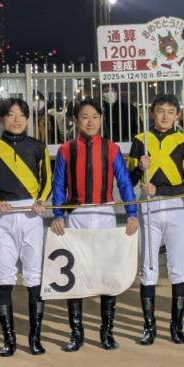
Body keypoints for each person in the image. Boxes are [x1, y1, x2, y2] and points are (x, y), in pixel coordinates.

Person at [51, 99, 139, 352]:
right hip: (77, 214)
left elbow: (124, 183)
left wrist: (131, 213)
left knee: (107, 273)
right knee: (76, 273)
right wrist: (58, 215)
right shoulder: (66, 149)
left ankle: (106, 332)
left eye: (95, 117)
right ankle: (76, 333)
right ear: (76, 121)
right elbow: (59, 186)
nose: (90, 122)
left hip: (105, 213)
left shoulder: (111, 149)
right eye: (84, 117)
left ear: (101, 119)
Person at [0, 98, 52, 356]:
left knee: (34, 278)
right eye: (10, 114)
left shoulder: (38, 147)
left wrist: (41, 200)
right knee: (5, 278)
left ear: (28, 118)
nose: (16, 119)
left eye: (21, 114)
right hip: (4, 216)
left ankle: (34, 338)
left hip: (32, 214)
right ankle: (9, 340)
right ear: (1, 119)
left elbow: (47, 181)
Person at [128, 93, 184, 345]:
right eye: (160, 111)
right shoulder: (140, 140)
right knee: (149, 268)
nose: (165, 116)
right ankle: (149, 327)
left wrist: (162, 191)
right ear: (151, 113)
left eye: (170, 111)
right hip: (148, 209)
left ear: (177, 115)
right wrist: (139, 167)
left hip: (176, 208)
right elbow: (129, 180)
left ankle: (176, 327)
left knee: (178, 268)